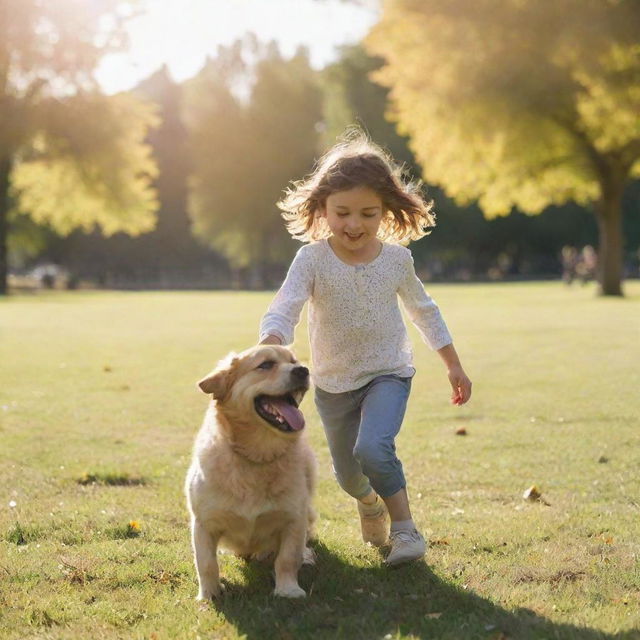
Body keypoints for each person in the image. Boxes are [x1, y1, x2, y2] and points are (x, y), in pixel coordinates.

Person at [259, 131, 472, 566]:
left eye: (368, 213)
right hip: (334, 383)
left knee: (373, 447)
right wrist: (272, 339)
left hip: (387, 373)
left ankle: (407, 531)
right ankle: (370, 502)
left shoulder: (396, 261)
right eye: (342, 212)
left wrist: (452, 364)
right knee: (349, 475)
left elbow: (424, 311)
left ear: (386, 212)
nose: (354, 224)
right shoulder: (312, 259)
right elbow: (286, 305)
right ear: (322, 209)